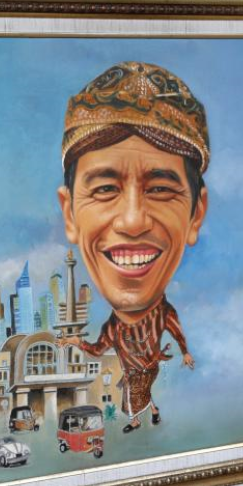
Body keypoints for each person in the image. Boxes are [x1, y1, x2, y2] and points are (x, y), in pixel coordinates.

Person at [58, 62, 206, 434]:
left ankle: (141, 414)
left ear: (196, 215)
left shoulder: (163, 316)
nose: (132, 220)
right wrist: (74, 341)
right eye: (105, 189)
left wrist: (184, 352)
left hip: (146, 371)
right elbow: (96, 349)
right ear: (70, 215)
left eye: (161, 189)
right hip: (140, 373)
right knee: (136, 392)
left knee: (138, 391)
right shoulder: (113, 329)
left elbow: (175, 333)